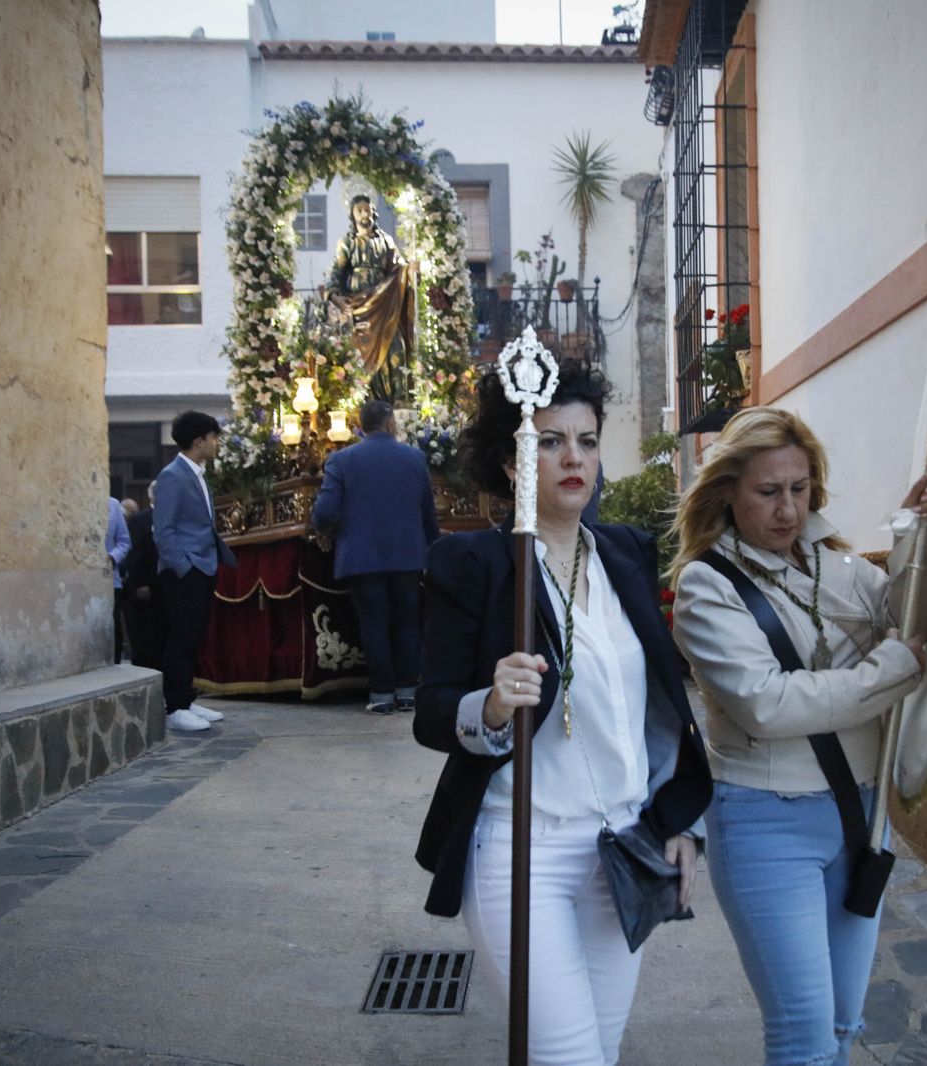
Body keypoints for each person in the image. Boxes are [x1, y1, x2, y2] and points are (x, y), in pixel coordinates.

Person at [413, 360, 712, 1066]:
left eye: (586, 440)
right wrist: (487, 704)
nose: (573, 457)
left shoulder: (629, 555)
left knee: (600, 1054)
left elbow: (661, 710)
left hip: (622, 852)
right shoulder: (476, 567)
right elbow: (430, 712)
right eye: (548, 442)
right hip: (522, 850)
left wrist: (681, 823)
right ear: (512, 464)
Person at [666, 406, 927, 1066]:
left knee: (843, 1027)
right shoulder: (707, 586)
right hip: (767, 824)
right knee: (804, 1037)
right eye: (768, 491)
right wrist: (894, 666)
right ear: (728, 493)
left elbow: (907, 615)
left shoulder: (839, 568)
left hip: (859, 815)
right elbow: (768, 705)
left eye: (799, 488)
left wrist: (914, 534)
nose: (788, 509)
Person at [312, 399, 440, 715]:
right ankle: (408, 692)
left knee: (374, 624)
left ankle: (382, 695)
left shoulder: (341, 460)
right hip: (408, 555)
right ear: (390, 424)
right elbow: (428, 511)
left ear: (361, 425)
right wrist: (431, 548)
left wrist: (322, 528)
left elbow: (325, 510)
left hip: (362, 557)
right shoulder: (414, 457)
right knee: (408, 622)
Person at [152, 411, 238, 733]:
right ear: (198, 440)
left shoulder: (196, 473)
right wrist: (184, 567)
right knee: (182, 638)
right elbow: (163, 530)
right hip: (185, 570)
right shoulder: (173, 475)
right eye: (213, 438)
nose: (217, 444)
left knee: (194, 636)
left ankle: (186, 699)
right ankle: (174, 706)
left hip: (203, 565)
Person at [325, 194, 415, 402]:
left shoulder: (386, 241)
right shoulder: (347, 242)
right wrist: (338, 299)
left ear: (374, 212)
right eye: (360, 210)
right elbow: (335, 276)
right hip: (358, 308)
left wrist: (410, 270)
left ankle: (399, 399)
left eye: (368, 209)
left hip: (385, 305)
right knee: (359, 355)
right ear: (353, 215)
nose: (365, 214)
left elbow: (398, 268)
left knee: (396, 347)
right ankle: (366, 401)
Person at [121, 482, 166, 670]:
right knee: (145, 639)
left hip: (166, 587)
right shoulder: (139, 520)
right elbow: (135, 554)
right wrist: (139, 584)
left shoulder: (174, 517)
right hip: (145, 588)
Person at [106, 496, 131, 663]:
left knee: (113, 625)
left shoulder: (113, 504)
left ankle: (114, 663)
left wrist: (112, 557)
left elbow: (124, 542)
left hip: (110, 577)